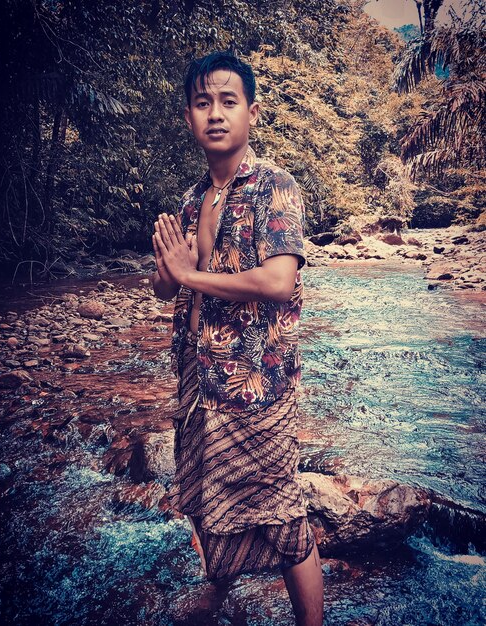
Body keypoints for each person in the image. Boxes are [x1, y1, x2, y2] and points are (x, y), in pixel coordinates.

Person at [152, 50, 324, 626]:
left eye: (229, 102)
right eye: (204, 103)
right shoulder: (190, 199)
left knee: (280, 513)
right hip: (199, 381)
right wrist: (166, 272)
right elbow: (167, 290)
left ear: (252, 112)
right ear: (188, 117)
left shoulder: (275, 186)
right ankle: (219, 589)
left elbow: (277, 281)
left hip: (258, 384)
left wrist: (188, 274)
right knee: (204, 495)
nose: (216, 114)